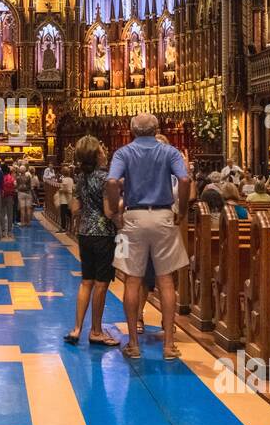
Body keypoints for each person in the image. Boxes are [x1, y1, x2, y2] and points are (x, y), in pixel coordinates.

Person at [105, 113, 190, 361]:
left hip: (134, 216)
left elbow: (112, 182)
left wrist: (114, 212)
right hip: (164, 215)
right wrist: (181, 210)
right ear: (157, 130)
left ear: (132, 130)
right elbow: (184, 179)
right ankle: (169, 345)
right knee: (166, 281)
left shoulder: (123, 153)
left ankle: (133, 343)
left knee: (132, 280)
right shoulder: (170, 152)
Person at [64, 136, 120, 348]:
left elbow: (74, 209)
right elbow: (108, 211)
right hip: (103, 235)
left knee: (86, 281)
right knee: (101, 284)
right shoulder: (105, 179)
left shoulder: (81, 178)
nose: (105, 153)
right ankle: (96, 331)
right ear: (97, 155)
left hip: (85, 233)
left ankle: (77, 328)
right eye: (102, 150)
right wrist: (120, 215)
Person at [0, 165, 17, 240]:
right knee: (10, 215)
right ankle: (9, 231)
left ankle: (3, 231)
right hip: (10, 197)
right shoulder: (11, 177)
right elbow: (15, 185)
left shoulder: (0, 178)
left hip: (2, 196)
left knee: (2, 214)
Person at [55, 165, 75, 233]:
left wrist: (60, 190)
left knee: (63, 214)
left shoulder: (64, 179)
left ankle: (63, 228)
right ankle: (71, 226)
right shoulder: (71, 179)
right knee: (69, 213)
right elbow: (72, 188)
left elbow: (65, 189)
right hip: (70, 198)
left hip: (64, 199)